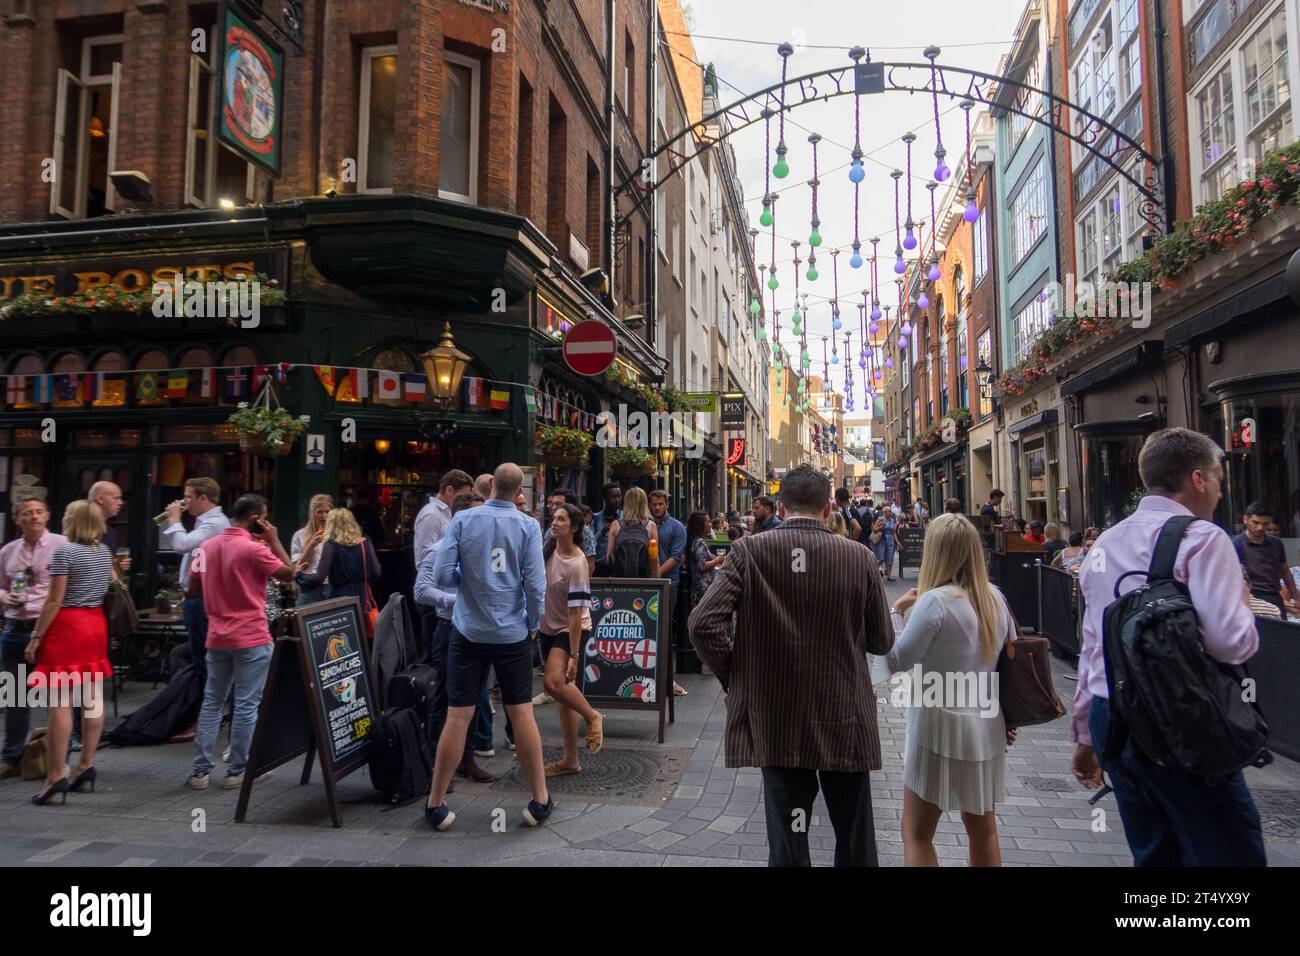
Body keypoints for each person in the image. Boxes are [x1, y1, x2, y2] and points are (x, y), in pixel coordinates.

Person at [1072, 428, 1265, 866]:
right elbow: (1231, 643)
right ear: (1197, 479)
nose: (1219, 491)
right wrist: (1244, 604)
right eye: (1217, 478)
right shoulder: (1203, 538)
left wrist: (1085, 733)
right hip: (1180, 716)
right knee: (1229, 853)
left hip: (1112, 716)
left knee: (1155, 852)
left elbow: (1093, 646)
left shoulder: (1106, 542)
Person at [689, 464, 894, 867]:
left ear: (780, 506)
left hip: (777, 716)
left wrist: (738, 677)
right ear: (827, 506)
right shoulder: (859, 558)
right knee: (853, 836)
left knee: (790, 837)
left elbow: (702, 624)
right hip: (843, 714)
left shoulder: (750, 551)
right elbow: (881, 640)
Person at [426, 463, 552, 831]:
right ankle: (540, 800)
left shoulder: (464, 521)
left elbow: (442, 575)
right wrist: (532, 623)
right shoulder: (528, 526)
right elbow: (534, 585)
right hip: (512, 633)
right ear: (518, 492)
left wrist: (470, 578)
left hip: (468, 631)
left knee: (457, 715)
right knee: (522, 713)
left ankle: (436, 803)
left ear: (491, 486)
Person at [886, 514, 1015, 866]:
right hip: (986, 727)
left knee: (916, 832)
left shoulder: (935, 602)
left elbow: (898, 661)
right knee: (983, 830)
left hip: (936, 726)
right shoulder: (997, 600)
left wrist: (897, 612)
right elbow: (1010, 664)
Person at [186, 494, 296, 791]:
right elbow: (290, 573)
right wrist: (274, 540)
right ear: (255, 520)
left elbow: (191, 589)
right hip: (251, 635)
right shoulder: (254, 549)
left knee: (212, 701)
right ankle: (237, 769)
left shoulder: (204, 548)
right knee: (247, 704)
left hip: (217, 635)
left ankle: (200, 771)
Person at [23, 501, 113, 805]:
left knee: (59, 703)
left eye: (64, 514)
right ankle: (85, 765)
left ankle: (56, 775)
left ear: (73, 520)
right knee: (92, 696)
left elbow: (53, 600)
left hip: (68, 625)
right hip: (95, 623)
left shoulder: (65, 552)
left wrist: (36, 637)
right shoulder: (103, 552)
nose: (61, 518)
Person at [413, 491, 494, 783]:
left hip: (478, 630)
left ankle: (466, 759)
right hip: (450, 630)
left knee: (472, 697)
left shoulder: (481, 550)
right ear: (461, 517)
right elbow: (421, 592)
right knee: (447, 696)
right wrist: (454, 601)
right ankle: (434, 764)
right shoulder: (439, 549)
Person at [0, 499, 67, 780]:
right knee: (13, 695)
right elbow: (1, 586)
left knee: (59, 696)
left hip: (51, 628)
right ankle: (11, 755)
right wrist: (3, 597)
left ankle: (58, 758)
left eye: (39, 512)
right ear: (17, 519)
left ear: (48, 515)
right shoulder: (7, 551)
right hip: (15, 627)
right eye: (27, 513)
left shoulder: (62, 545)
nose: (34, 517)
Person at [536, 502, 604, 776]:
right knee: (564, 695)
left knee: (553, 682)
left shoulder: (577, 563)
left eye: (561, 520)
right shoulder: (549, 549)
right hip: (547, 627)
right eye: (553, 518)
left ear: (574, 528)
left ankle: (593, 716)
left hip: (571, 629)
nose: (554, 523)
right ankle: (570, 760)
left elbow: (576, 614)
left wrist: (574, 655)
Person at [163, 478, 229, 682]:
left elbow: (182, 545)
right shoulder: (206, 522)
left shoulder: (214, 524)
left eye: (189, 497)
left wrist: (174, 520)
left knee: (202, 655)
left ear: (203, 498)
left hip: (201, 597)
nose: (184, 502)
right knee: (197, 652)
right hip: (197, 596)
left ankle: (201, 703)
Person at [295, 508, 381, 607]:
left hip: (340, 597)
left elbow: (319, 578)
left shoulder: (331, 545)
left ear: (331, 525)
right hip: (362, 596)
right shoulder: (365, 543)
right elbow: (376, 572)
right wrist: (361, 583)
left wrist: (300, 574)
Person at [648, 490, 689, 698]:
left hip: (668, 583)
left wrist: (656, 574)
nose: (656, 508)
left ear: (667, 504)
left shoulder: (676, 527)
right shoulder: (646, 525)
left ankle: (666, 677)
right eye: (654, 504)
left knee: (663, 627)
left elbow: (676, 557)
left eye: (660, 504)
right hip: (648, 583)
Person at [1232, 501, 1297, 620]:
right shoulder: (1237, 545)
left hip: (1276, 598)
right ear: (1245, 520)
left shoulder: (1276, 543)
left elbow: (1285, 571)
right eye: (1255, 523)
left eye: (1265, 523)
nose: (1260, 528)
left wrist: (1296, 599)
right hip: (1253, 601)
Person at [413, 470, 474, 569]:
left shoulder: (449, 513)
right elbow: (425, 557)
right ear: (449, 490)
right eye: (462, 496)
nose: (464, 501)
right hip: (434, 581)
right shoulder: (431, 514)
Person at [290, 494, 334, 606]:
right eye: (319, 512)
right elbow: (297, 566)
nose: (324, 515)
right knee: (302, 620)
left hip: (332, 585)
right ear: (312, 513)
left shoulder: (336, 535)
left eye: (327, 511)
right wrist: (311, 545)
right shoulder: (300, 535)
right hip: (310, 587)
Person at [543, 489, 597, 575]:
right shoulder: (550, 532)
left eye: (558, 504)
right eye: (552, 504)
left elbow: (590, 564)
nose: (553, 507)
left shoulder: (584, 531)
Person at [604, 487, 659, 571]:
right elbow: (654, 560)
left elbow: (609, 556)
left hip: (620, 580)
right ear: (644, 503)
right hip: (644, 581)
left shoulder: (615, 525)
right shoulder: (651, 526)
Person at [687, 511, 725, 607]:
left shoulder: (696, 541)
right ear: (700, 525)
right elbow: (702, 566)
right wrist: (717, 561)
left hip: (701, 588)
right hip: (702, 589)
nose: (710, 524)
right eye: (708, 522)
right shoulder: (699, 542)